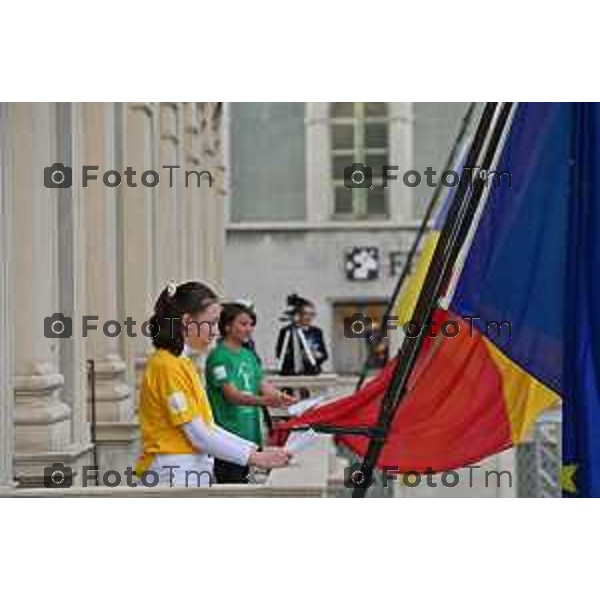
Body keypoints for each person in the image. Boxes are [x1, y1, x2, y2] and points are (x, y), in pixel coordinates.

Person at [134, 281, 290, 487]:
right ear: (188, 321)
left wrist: (255, 451)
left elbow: (208, 428)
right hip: (171, 475)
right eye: (212, 322)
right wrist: (255, 457)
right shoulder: (166, 366)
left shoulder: (182, 364)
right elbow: (198, 435)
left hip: (186, 473)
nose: (216, 331)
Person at [206, 302, 296, 483]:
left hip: (250, 435)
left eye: (251, 324)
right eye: (243, 324)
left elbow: (261, 383)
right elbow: (231, 396)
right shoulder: (218, 356)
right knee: (232, 489)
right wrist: (267, 401)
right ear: (227, 326)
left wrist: (280, 396)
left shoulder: (248, 355)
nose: (249, 329)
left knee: (246, 485)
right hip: (228, 438)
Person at [275, 295, 328, 376]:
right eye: (306, 314)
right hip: (291, 373)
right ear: (299, 314)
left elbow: (324, 354)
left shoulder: (317, 332)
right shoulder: (287, 331)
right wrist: (300, 355)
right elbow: (280, 354)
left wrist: (317, 355)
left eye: (312, 314)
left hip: (311, 373)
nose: (309, 317)